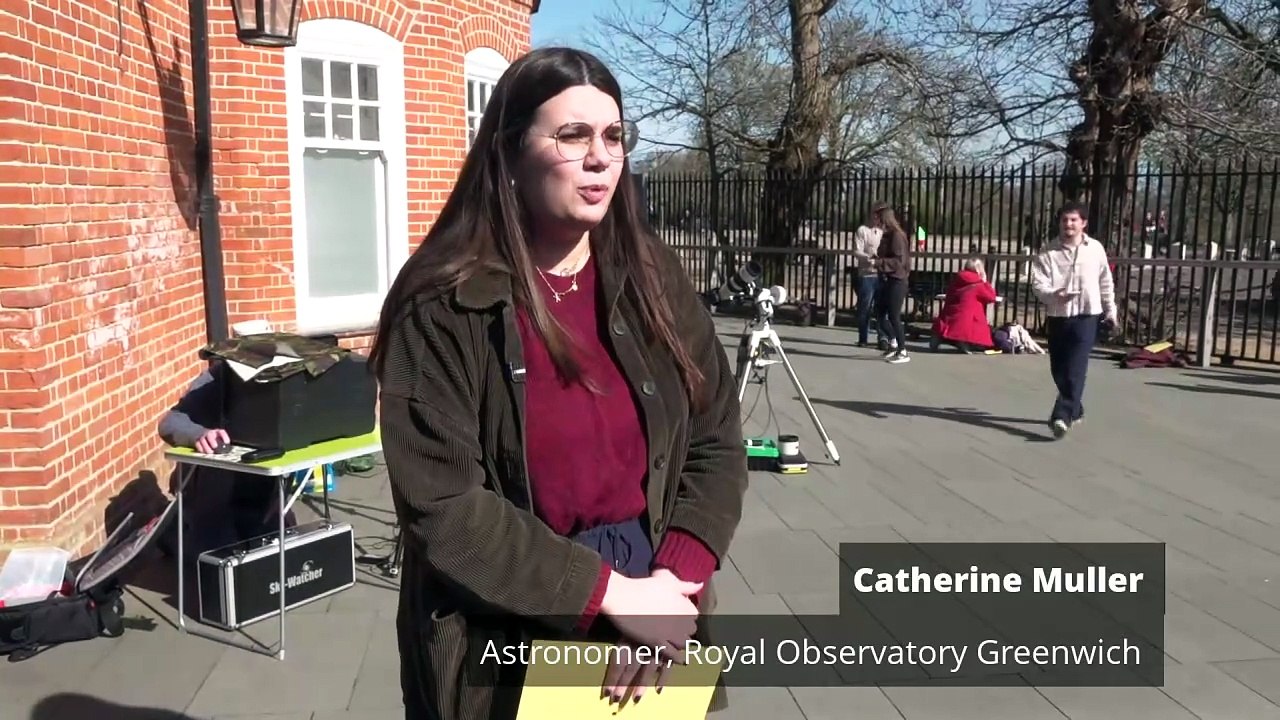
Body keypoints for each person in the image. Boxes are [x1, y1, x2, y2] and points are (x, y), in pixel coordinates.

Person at [367, 47, 748, 720]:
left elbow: (715, 435)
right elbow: (447, 509)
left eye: (613, 137)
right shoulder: (443, 305)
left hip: (659, 593)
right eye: (573, 136)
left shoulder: (652, 278)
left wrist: (672, 584)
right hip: (517, 611)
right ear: (512, 155)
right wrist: (611, 599)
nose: (600, 156)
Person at [1030, 201, 1117, 439]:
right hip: (1059, 315)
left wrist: (1111, 311)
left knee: (1076, 368)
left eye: (1073, 220)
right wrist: (1052, 295)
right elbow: (1037, 283)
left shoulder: (1095, 248)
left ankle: (1061, 415)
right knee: (1059, 369)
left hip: (1088, 315)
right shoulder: (1048, 251)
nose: (1068, 224)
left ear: (1083, 223)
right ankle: (1075, 408)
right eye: (1064, 220)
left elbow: (1105, 281)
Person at [931, 257, 998, 354]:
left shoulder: (957, 280)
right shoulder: (978, 285)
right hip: (966, 318)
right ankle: (963, 342)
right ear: (979, 270)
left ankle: (940, 338)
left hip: (949, 315)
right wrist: (985, 282)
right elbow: (991, 297)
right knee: (977, 318)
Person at [875, 205, 912, 363]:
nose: (875, 221)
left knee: (894, 316)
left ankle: (903, 350)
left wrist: (879, 263)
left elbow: (898, 261)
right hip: (888, 278)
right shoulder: (888, 235)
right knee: (879, 313)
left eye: (877, 217)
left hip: (897, 280)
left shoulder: (897, 235)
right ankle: (893, 342)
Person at [852, 205, 885, 347]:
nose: (876, 218)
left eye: (879, 215)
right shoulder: (862, 230)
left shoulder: (883, 231)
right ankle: (863, 337)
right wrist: (867, 257)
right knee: (865, 307)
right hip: (866, 274)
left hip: (881, 273)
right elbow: (856, 251)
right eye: (875, 214)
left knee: (882, 308)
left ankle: (882, 337)